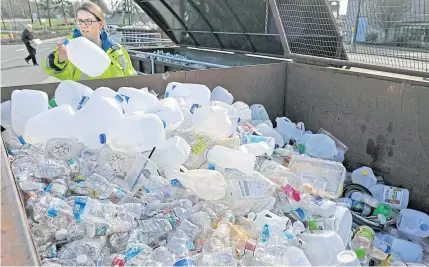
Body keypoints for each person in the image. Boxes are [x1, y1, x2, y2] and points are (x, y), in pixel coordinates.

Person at [42, 2, 137, 80]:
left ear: (100, 24)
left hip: (113, 102)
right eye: (80, 21)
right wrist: (59, 60)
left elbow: (132, 78)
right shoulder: (69, 47)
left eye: (88, 21)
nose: (83, 25)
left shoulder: (117, 51)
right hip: (83, 102)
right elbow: (48, 67)